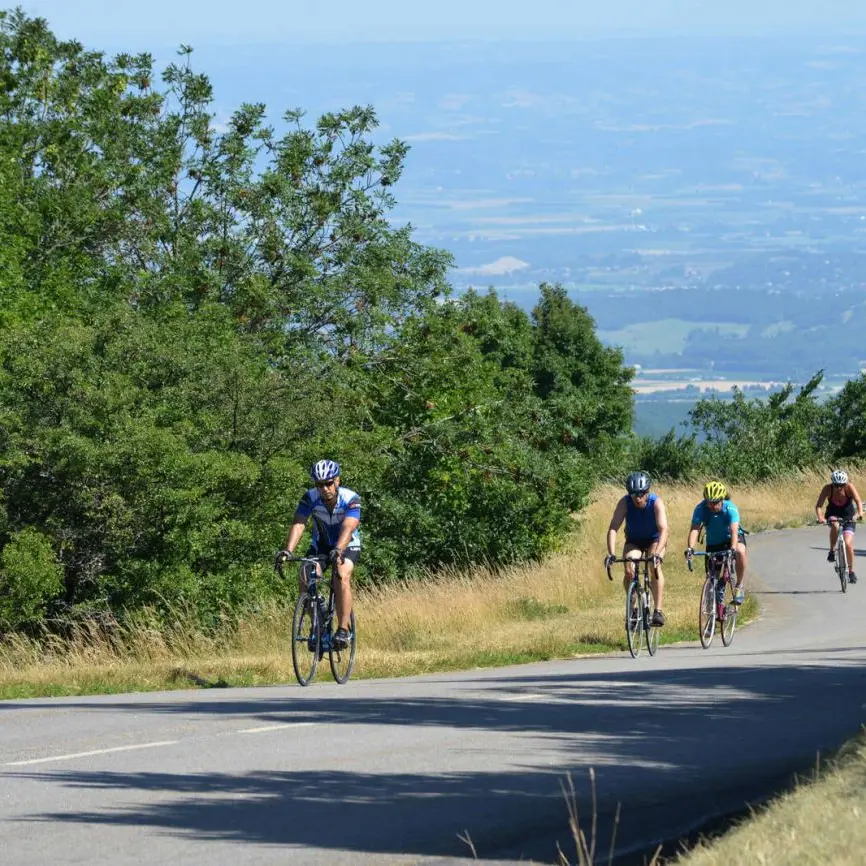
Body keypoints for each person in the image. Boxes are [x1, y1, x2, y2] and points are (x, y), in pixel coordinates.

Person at [276, 460, 361, 649]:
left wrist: (338, 549)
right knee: (305, 576)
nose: (324, 488)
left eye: (328, 483)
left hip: (346, 544)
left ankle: (343, 630)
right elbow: (299, 524)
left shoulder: (351, 498)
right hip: (321, 545)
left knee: (341, 574)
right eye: (319, 484)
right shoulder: (310, 498)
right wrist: (287, 550)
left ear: (337, 480)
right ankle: (318, 623)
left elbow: (349, 527)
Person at [604, 470, 669, 626]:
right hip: (634, 541)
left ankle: (658, 611)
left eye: (641, 494)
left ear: (647, 492)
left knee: (654, 566)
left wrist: (658, 553)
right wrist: (611, 553)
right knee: (629, 568)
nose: (637, 498)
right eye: (634, 494)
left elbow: (664, 530)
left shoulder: (656, 502)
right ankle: (633, 609)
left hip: (655, 540)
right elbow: (613, 528)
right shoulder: (624, 502)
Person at [685, 480, 748, 605]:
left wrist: (733, 549)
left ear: (722, 499)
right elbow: (695, 529)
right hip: (714, 543)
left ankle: (739, 586)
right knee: (711, 579)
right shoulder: (701, 508)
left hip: (731, 539)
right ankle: (711, 614)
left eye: (715, 503)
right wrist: (690, 548)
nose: (712, 506)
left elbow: (734, 531)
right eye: (709, 502)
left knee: (740, 551)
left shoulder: (730, 508)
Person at [815, 469, 863, 584]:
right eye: (836, 485)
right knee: (835, 526)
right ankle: (832, 551)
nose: (839, 488)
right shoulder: (827, 488)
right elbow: (819, 505)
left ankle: (851, 571)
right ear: (832, 483)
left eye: (841, 485)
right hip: (833, 514)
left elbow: (858, 501)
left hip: (849, 516)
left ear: (845, 483)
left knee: (848, 543)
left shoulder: (849, 487)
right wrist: (820, 517)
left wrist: (859, 513)